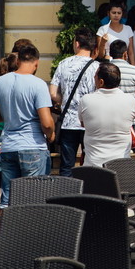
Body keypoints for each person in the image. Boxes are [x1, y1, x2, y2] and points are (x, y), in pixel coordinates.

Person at [0, 43, 54, 209]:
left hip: (8, 146)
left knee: (7, 198)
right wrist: (51, 134)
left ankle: (6, 233)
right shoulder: (38, 84)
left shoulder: (0, 83)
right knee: (33, 199)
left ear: (18, 61)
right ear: (36, 63)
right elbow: (46, 123)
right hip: (32, 146)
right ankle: (30, 234)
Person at [49, 27, 100, 176]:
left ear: (77, 44)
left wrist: (64, 99)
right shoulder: (97, 67)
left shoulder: (63, 64)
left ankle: (66, 196)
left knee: (66, 166)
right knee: (90, 163)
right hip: (89, 122)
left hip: (68, 122)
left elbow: (52, 93)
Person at [78, 62, 135, 166]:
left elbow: (83, 124)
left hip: (93, 165)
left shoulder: (86, 100)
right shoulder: (130, 100)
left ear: (101, 82)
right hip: (121, 166)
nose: (94, 78)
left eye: (95, 76)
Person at [109, 39, 135, 180]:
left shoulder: (104, 69)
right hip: (132, 120)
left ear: (110, 53)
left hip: (111, 120)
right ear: (125, 54)